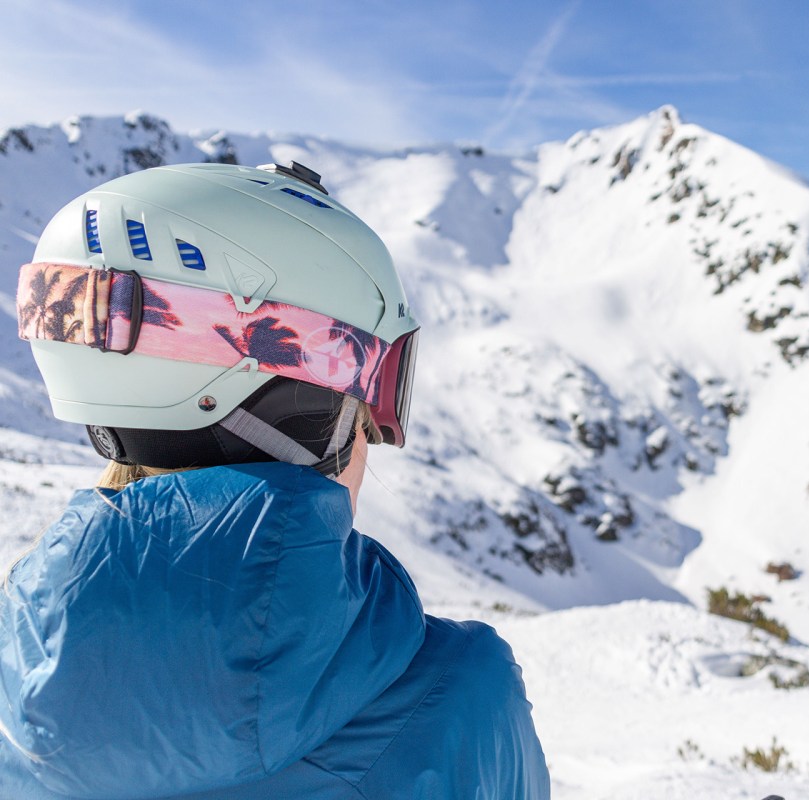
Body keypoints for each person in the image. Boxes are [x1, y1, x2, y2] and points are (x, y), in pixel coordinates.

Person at [0, 162, 551, 799]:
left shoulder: (17, 673)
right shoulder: (463, 700)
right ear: (307, 417)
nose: (372, 437)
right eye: (373, 401)